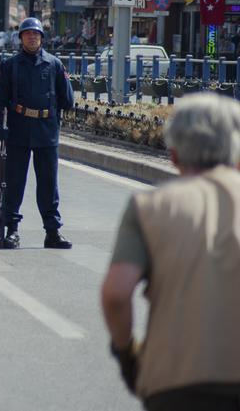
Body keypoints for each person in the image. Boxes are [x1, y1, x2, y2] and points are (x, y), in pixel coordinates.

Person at [101, 94, 240, 410]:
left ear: (174, 155)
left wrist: (127, 355)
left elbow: (116, 294)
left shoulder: (150, 207)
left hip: (176, 381)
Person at [0, 17, 75, 250]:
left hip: (46, 131)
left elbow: (68, 99)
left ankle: (52, 231)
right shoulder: (10, 66)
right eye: (27, 34)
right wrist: (0, 127)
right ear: (21, 38)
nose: (32, 37)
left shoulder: (55, 65)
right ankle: (12, 230)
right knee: (14, 183)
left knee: (48, 184)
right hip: (18, 129)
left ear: (42, 39)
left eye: (36, 34)